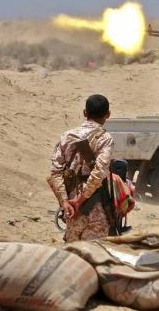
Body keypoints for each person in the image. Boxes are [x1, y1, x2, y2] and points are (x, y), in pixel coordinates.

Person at [48, 94, 114, 242]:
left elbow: (56, 172)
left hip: (71, 210)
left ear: (85, 112)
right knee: (95, 251)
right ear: (108, 114)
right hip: (96, 207)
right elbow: (99, 173)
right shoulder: (105, 139)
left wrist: (65, 202)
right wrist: (80, 200)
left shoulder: (67, 136)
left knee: (71, 252)